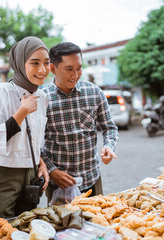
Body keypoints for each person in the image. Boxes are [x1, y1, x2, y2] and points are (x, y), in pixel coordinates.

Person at [0, 36, 50, 219]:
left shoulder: (42, 97)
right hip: (0, 172)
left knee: (24, 230)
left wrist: (40, 163)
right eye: (34, 63)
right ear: (19, 63)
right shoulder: (1, 92)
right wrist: (21, 112)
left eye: (46, 63)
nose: (42, 70)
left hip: (30, 172)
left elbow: (33, 138)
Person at [42, 42, 119, 203]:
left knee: (96, 225)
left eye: (79, 68)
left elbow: (109, 127)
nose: (75, 74)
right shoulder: (42, 99)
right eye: (69, 69)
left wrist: (108, 146)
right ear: (53, 69)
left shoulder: (95, 92)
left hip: (91, 179)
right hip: (59, 183)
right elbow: (32, 144)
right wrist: (52, 170)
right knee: (62, 227)